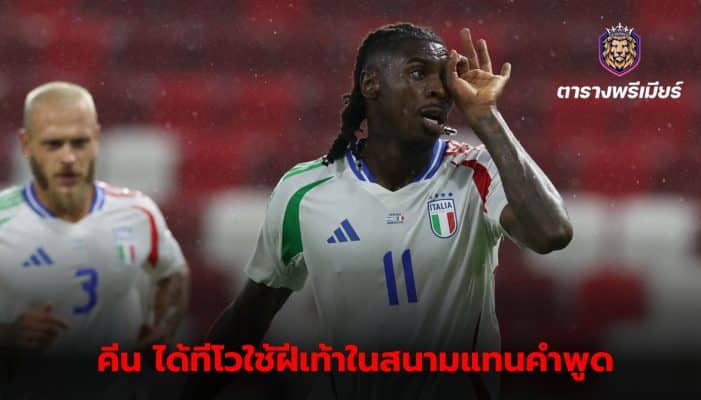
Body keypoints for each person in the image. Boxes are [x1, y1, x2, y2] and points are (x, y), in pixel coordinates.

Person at [181, 23, 572, 399]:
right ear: (372, 84)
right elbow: (247, 319)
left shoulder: (477, 171)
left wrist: (488, 118)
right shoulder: (304, 191)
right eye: (419, 73)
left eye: (444, 78)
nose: (439, 89)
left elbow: (552, 233)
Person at [0, 81, 190, 398]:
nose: (69, 157)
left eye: (79, 142)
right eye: (53, 144)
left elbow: (174, 273)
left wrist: (163, 328)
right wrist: (7, 335)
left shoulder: (137, 213)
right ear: (26, 144)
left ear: (97, 139)